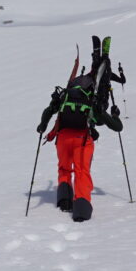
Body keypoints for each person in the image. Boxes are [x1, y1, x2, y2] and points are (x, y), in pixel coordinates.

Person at [36, 57, 124, 222]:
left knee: (64, 168)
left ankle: (64, 200)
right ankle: (81, 209)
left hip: (62, 138)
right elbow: (117, 127)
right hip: (82, 139)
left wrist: (42, 126)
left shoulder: (65, 97)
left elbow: (49, 110)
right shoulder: (90, 101)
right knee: (81, 171)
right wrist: (114, 115)